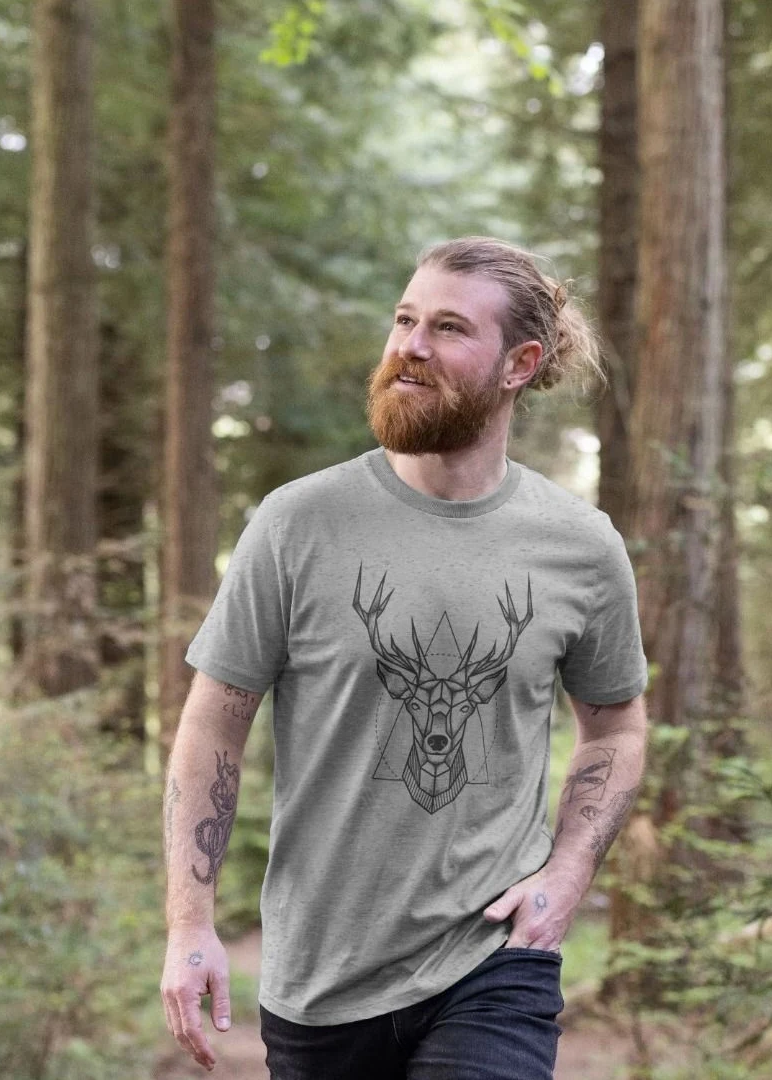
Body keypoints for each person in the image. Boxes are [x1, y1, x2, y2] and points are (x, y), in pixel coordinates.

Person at [160, 236, 649, 1079]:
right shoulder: (297, 524)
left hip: (492, 960)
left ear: (521, 364)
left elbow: (616, 727)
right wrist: (189, 924)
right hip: (321, 976)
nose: (411, 346)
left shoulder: (579, 545)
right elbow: (213, 725)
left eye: (448, 328)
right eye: (404, 320)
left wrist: (567, 874)